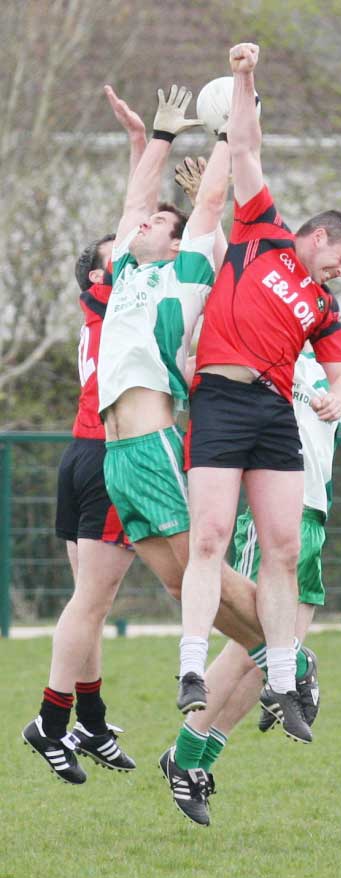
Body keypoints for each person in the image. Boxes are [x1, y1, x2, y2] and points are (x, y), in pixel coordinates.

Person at [178, 42, 341, 743]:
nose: (340, 273)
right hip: (220, 400)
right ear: (317, 238)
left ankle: (285, 680)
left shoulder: (323, 306)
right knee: (210, 538)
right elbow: (248, 148)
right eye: (340, 259)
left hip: (272, 412)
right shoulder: (263, 233)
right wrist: (244, 77)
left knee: (283, 548)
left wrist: (338, 397)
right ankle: (191, 666)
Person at [160, 346, 341, 826]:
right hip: (269, 520)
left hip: (312, 526)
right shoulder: (262, 365)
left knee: (273, 659)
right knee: (254, 648)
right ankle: (183, 754)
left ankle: (200, 759)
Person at [21, 88, 150, 785]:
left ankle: (92, 723)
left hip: (82, 452)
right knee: (91, 603)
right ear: (105, 272)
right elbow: (132, 218)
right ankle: (50, 722)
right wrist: (143, 146)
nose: (129, 244)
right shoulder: (116, 294)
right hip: (108, 456)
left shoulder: (101, 305)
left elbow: (131, 218)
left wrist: (139, 148)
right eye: (120, 250)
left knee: (86, 604)